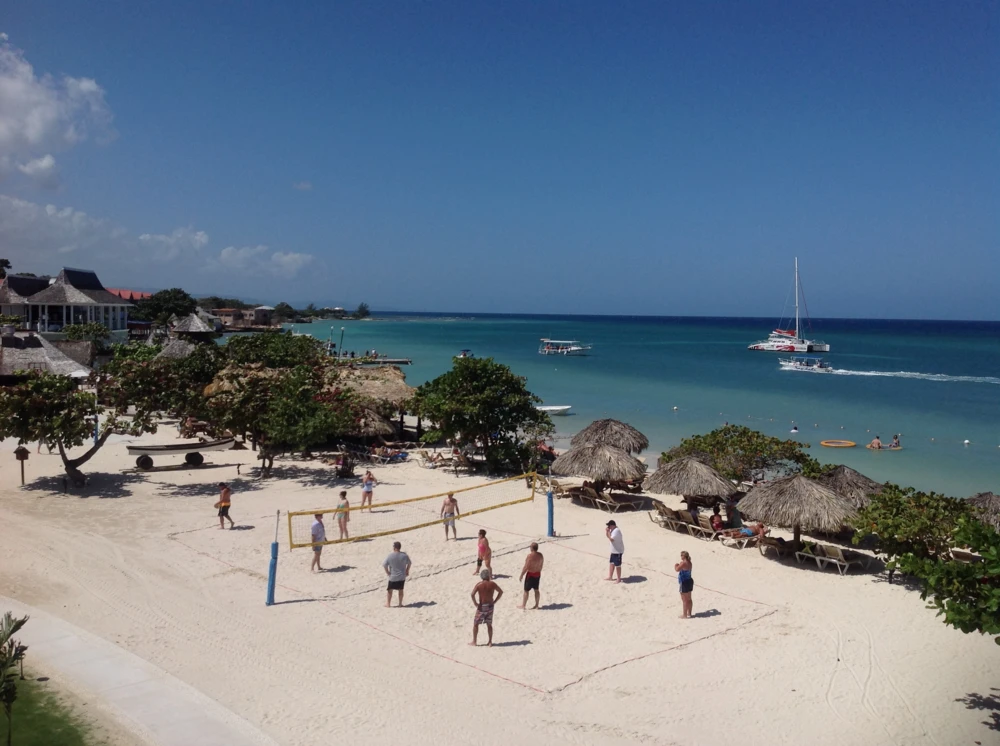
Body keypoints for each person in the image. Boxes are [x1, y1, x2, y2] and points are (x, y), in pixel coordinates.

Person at [470, 569, 503, 646]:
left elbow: (472, 594)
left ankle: (474, 641)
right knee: (489, 624)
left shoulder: (479, 585)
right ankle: (490, 641)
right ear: (488, 576)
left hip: (482, 606)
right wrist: (495, 601)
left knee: (476, 624)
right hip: (490, 606)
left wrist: (475, 603)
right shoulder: (492, 584)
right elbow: (500, 592)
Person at [382, 541, 411, 608]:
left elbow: (384, 565)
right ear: (399, 547)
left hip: (393, 576)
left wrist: (387, 572)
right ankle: (400, 604)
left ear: (394, 548)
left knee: (390, 590)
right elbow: (409, 563)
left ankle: (388, 604)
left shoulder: (390, 556)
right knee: (400, 590)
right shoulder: (404, 555)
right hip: (401, 576)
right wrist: (407, 570)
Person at [518, 543, 544, 609]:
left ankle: (523, 605)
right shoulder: (540, 555)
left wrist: (521, 575)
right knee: (536, 590)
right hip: (538, 574)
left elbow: (526, 567)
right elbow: (541, 565)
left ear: (532, 548)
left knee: (526, 590)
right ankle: (537, 605)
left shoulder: (530, 556)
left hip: (530, 575)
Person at [675, 551, 694, 619]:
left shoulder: (684, 563)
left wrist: (676, 565)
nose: (681, 557)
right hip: (689, 581)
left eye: (681, 555)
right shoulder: (689, 562)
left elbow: (677, 569)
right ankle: (689, 613)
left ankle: (684, 615)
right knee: (689, 598)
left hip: (684, 582)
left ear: (684, 556)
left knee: (684, 599)